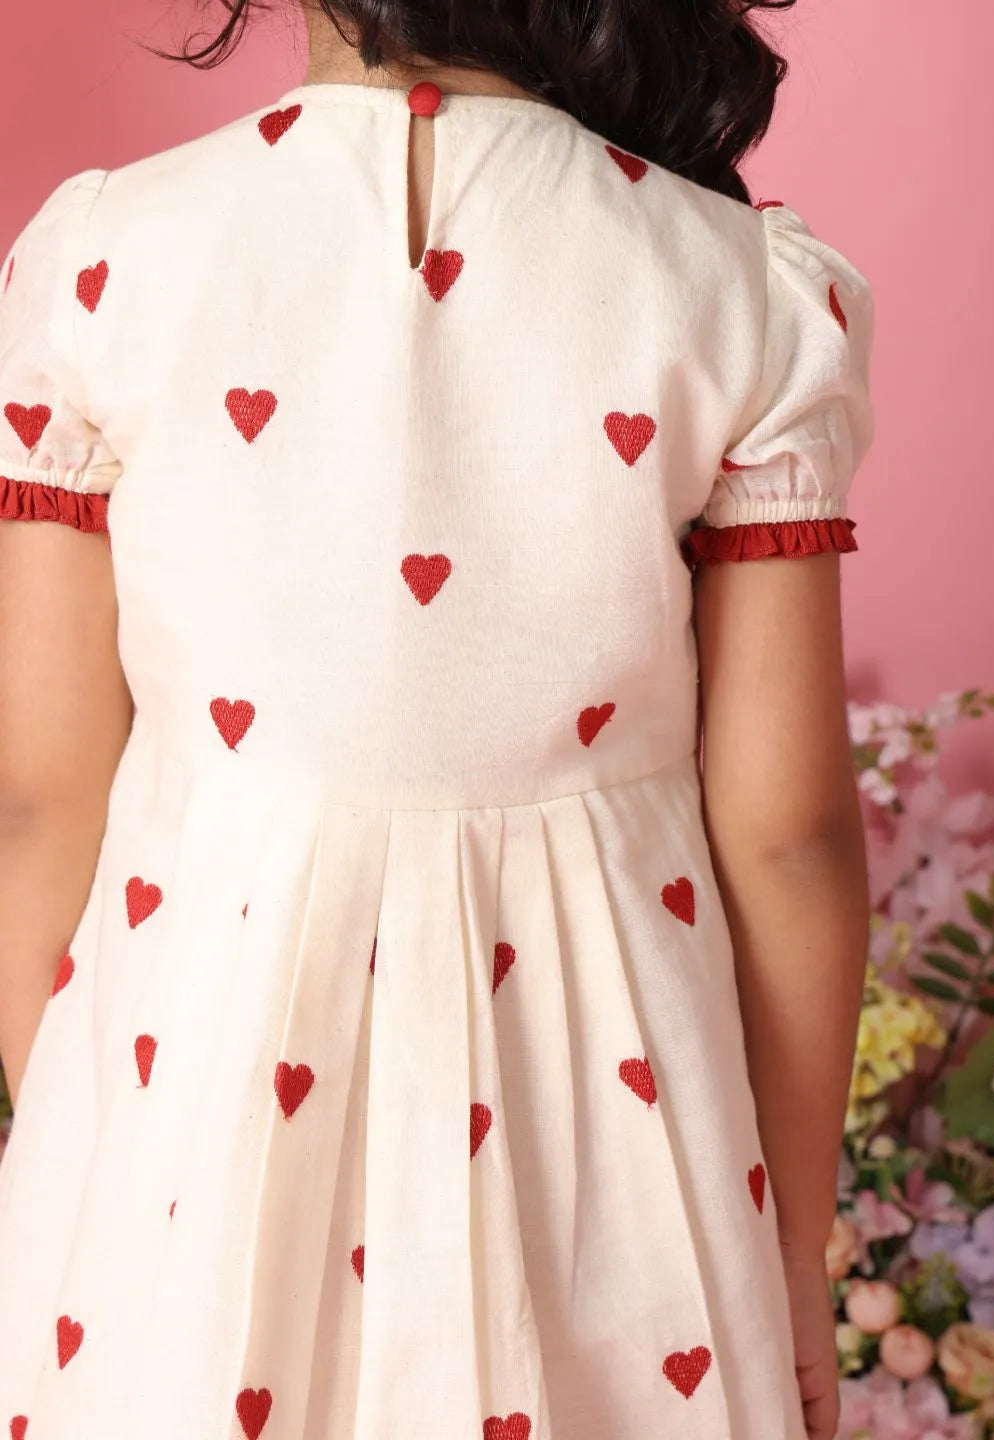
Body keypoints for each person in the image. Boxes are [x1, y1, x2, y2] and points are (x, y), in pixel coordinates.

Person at [0, 1, 875, 1436]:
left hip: (186, 1128)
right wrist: (788, 1248)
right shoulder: (743, 289)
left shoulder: (101, 259)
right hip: (616, 1132)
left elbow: (41, 792)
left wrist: (92, 1165)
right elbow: (784, 834)